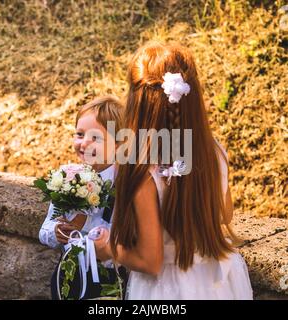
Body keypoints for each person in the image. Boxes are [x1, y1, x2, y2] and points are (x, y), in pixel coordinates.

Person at [93, 43, 253, 299]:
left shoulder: (141, 167)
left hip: (168, 290)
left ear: (138, 101)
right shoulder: (213, 150)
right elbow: (225, 214)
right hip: (218, 281)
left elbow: (150, 260)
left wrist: (108, 249)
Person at [39, 95, 128, 299]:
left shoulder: (124, 185)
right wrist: (56, 231)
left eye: (96, 138)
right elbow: (44, 230)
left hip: (108, 283)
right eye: (79, 134)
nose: (85, 143)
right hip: (67, 279)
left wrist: (86, 226)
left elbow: (125, 236)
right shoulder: (67, 178)